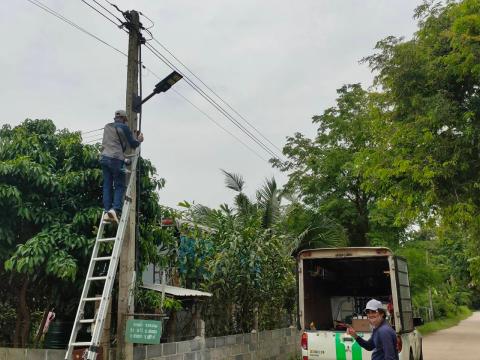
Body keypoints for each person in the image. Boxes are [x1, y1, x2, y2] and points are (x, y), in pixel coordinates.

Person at [100, 109, 144, 223]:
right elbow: (133, 144)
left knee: (107, 185)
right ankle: (115, 210)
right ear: (124, 119)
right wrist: (139, 139)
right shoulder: (123, 127)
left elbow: (112, 143)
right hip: (116, 159)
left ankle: (107, 211)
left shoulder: (107, 126)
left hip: (104, 158)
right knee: (119, 185)